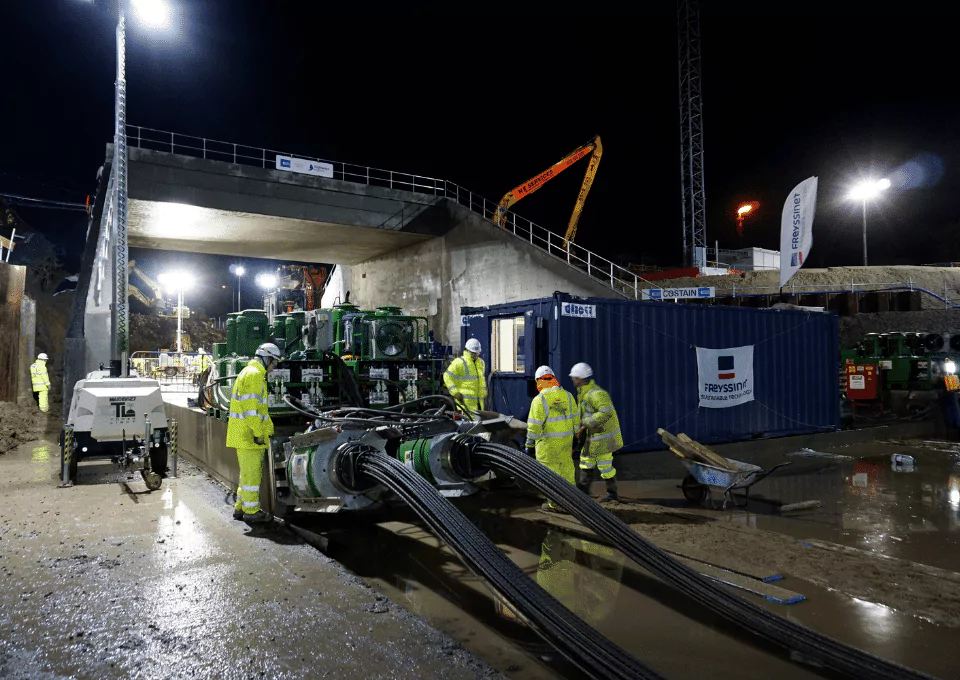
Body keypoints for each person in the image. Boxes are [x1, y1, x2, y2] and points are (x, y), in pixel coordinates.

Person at [225, 342, 282, 523]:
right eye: (273, 363)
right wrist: (258, 433)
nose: (273, 368)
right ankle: (252, 512)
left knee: (247, 474)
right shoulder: (255, 375)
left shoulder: (250, 373)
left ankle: (241, 508)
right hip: (249, 436)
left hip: (243, 434)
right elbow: (251, 411)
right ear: (266, 358)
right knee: (253, 475)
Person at [526, 365, 580, 513]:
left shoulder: (540, 400)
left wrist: (528, 446)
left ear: (539, 381)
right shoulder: (568, 396)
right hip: (566, 443)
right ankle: (573, 502)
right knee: (567, 470)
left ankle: (555, 505)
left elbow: (534, 427)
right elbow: (576, 420)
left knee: (550, 474)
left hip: (547, 446)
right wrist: (577, 438)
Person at [569, 362, 622, 503]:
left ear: (578, 379)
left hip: (603, 438)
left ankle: (612, 493)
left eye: (574, 378)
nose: (572, 380)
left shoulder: (596, 394)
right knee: (586, 462)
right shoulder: (584, 393)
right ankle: (583, 492)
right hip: (595, 437)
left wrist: (586, 422)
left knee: (605, 465)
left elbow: (606, 412)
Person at [442, 337, 487, 414]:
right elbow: (447, 376)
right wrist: (455, 392)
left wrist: (484, 393)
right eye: (473, 353)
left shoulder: (481, 363)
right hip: (464, 404)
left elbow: (481, 380)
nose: (475, 355)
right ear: (467, 350)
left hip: (479, 403)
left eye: (477, 353)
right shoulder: (459, 362)